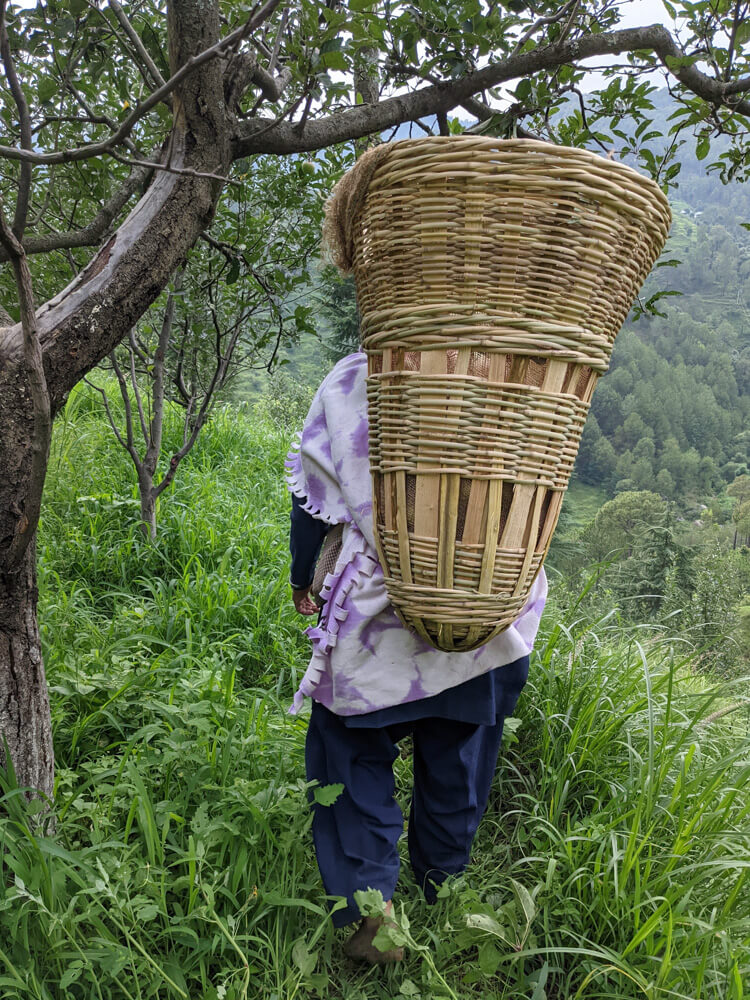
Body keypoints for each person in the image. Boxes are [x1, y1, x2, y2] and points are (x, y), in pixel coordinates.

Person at [286, 351, 547, 964]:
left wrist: (304, 574)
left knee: (349, 759)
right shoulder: (528, 372)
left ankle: (372, 906)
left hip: (377, 620)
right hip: (487, 608)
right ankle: (440, 888)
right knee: (459, 759)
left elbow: (315, 489)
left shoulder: (362, 375)